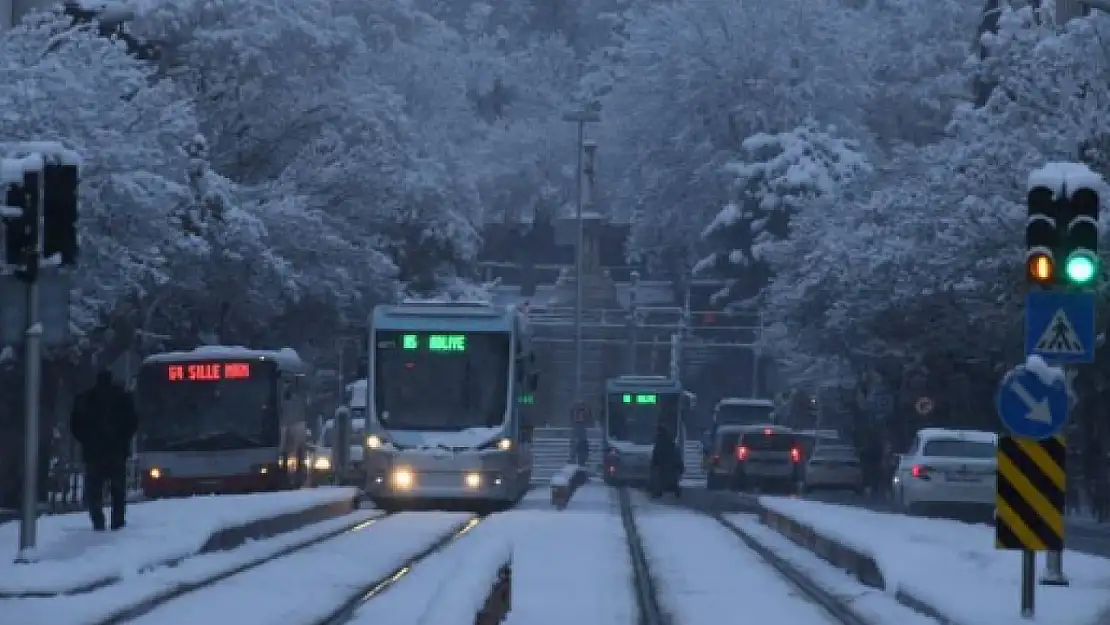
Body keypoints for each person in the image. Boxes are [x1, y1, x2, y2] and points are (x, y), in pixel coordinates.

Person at [71, 370, 137, 531]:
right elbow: (133, 422)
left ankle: (98, 521)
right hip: (116, 451)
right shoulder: (123, 398)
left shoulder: (85, 398)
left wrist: (88, 440)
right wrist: (122, 439)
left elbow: (75, 426)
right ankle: (117, 520)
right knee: (118, 490)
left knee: (94, 491)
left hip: (94, 452)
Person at [649, 423, 683, 498]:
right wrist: (680, 467)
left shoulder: (660, 442)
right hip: (670, 466)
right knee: (671, 480)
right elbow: (676, 455)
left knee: (662, 479)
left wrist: (654, 464)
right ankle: (674, 489)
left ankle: (659, 491)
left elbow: (656, 454)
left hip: (664, 465)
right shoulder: (670, 443)